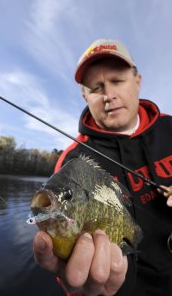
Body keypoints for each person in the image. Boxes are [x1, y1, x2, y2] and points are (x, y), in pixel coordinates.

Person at [33, 39, 172, 296]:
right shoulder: (72, 162)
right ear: (84, 96)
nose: (109, 95)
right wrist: (86, 288)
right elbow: (70, 271)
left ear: (137, 81)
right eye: (96, 88)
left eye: (117, 81)